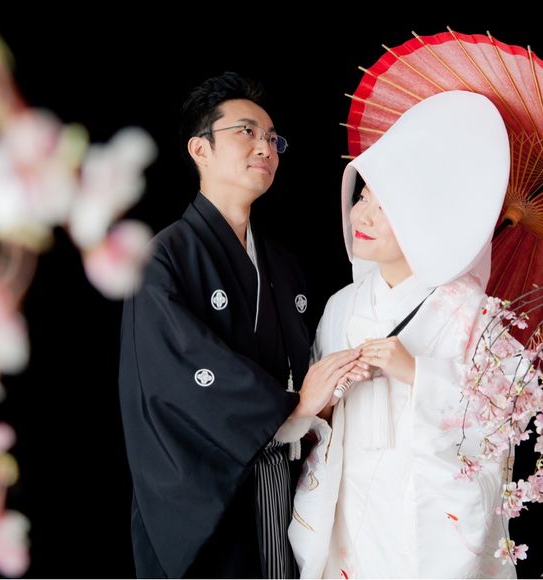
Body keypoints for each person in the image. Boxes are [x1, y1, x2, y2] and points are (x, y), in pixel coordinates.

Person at [118, 71, 363, 579]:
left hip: (280, 486)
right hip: (208, 497)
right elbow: (175, 377)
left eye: (273, 138)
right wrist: (295, 407)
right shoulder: (163, 259)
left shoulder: (283, 266)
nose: (265, 147)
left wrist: (322, 401)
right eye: (246, 132)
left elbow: (304, 366)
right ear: (200, 149)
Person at [287, 90, 520, 578]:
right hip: (351, 510)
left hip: (426, 518)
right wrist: (322, 401)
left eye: (385, 206)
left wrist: (417, 372)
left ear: (424, 219)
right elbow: (314, 422)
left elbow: (506, 420)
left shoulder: (474, 314)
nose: (362, 216)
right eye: (363, 198)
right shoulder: (341, 306)